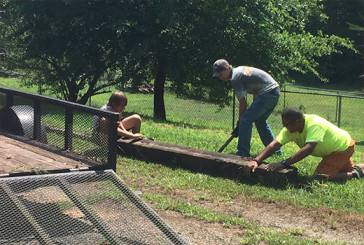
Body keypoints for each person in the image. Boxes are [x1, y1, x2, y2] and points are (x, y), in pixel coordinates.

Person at [244, 107, 364, 181]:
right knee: (341, 172)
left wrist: (284, 163)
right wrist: (256, 160)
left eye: (287, 124)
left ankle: (355, 174)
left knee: (320, 177)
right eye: (283, 124)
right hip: (333, 150)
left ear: (298, 122)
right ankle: (358, 169)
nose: (285, 128)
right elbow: (274, 145)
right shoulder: (290, 129)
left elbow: (308, 149)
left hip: (342, 148)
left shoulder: (314, 124)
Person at [212, 59, 282, 157]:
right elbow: (256, 89)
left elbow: (243, 104)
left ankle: (242, 153)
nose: (220, 78)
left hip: (268, 93)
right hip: (274, 92)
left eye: (221, 74)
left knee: (245, 120)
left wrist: (241, 122)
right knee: (259, 121)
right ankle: (276, 152)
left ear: (227, 68)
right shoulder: (240, 70)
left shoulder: (235, 78)